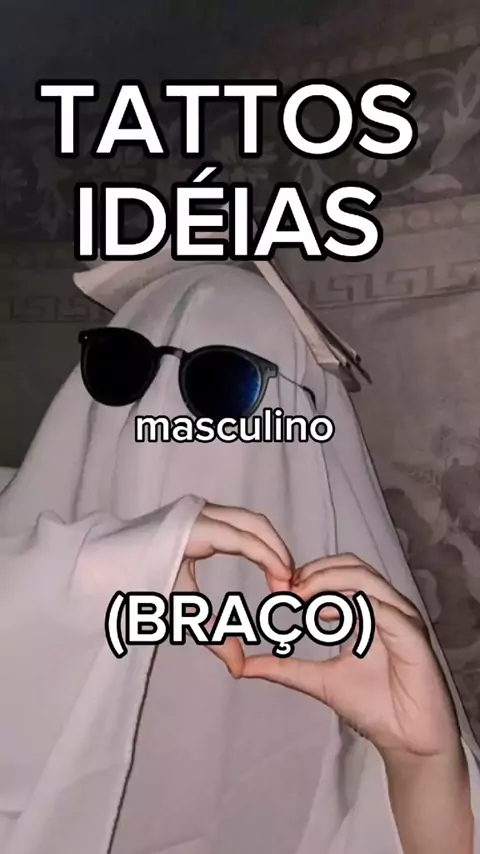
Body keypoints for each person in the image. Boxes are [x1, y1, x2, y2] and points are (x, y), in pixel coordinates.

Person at [0, 254, 479, 854]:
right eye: (120, 367)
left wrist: (422, 766)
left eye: (225, 385)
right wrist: (89, 573)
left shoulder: (358, 657)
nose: (159, 421)